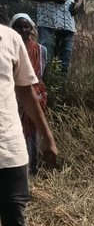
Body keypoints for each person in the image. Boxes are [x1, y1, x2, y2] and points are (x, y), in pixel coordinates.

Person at [0, 21, 59, 226]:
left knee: (15, 223)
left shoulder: (11, 39)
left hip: (9, 148)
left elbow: (27, 92)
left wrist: (47, 136)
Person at [11, 13, 49, 173]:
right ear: (12, 29)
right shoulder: (8, 49)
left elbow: (41, 76)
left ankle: (32, 169)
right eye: (19, 27)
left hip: (34, 97)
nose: (23, 30)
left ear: (31, 28)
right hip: (12, 97)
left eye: (26, 26)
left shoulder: (41, 50)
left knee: (32, 134)